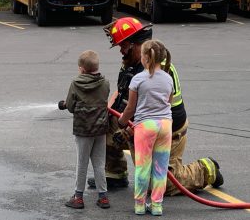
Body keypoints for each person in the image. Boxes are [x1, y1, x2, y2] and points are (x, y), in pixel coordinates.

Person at [87, 17, 224, 196]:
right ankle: (114, 172)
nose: (121, 51)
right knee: (103, 121)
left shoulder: (160, 71)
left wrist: (127, 132)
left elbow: (157, 115)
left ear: (137, 45)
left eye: (123, 46)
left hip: (165, 131)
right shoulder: (130, 62)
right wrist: (105, 112)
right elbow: (120, 93)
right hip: (137, 124)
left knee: (158, 184)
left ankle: (205, 170)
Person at [118, 40, 174, 215]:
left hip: (145, 126)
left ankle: (140, 204)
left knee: (143, 167)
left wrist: (121, 121)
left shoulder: (138, 79)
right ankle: (157, 205)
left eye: (142, 54)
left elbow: (131, 107)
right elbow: (169, 102)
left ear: (146, 58)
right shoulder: (168, 78)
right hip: (165, 125)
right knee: (160, 168)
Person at [58, 50, 110, 209]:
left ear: (81, 69)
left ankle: (78, 197)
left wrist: (65, 104)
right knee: (99, 164)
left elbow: (71, 107)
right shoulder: (105, 83)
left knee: (82, 163)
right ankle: (103, 197)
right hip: (100, 129)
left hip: (83, 130)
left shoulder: (76, 83)